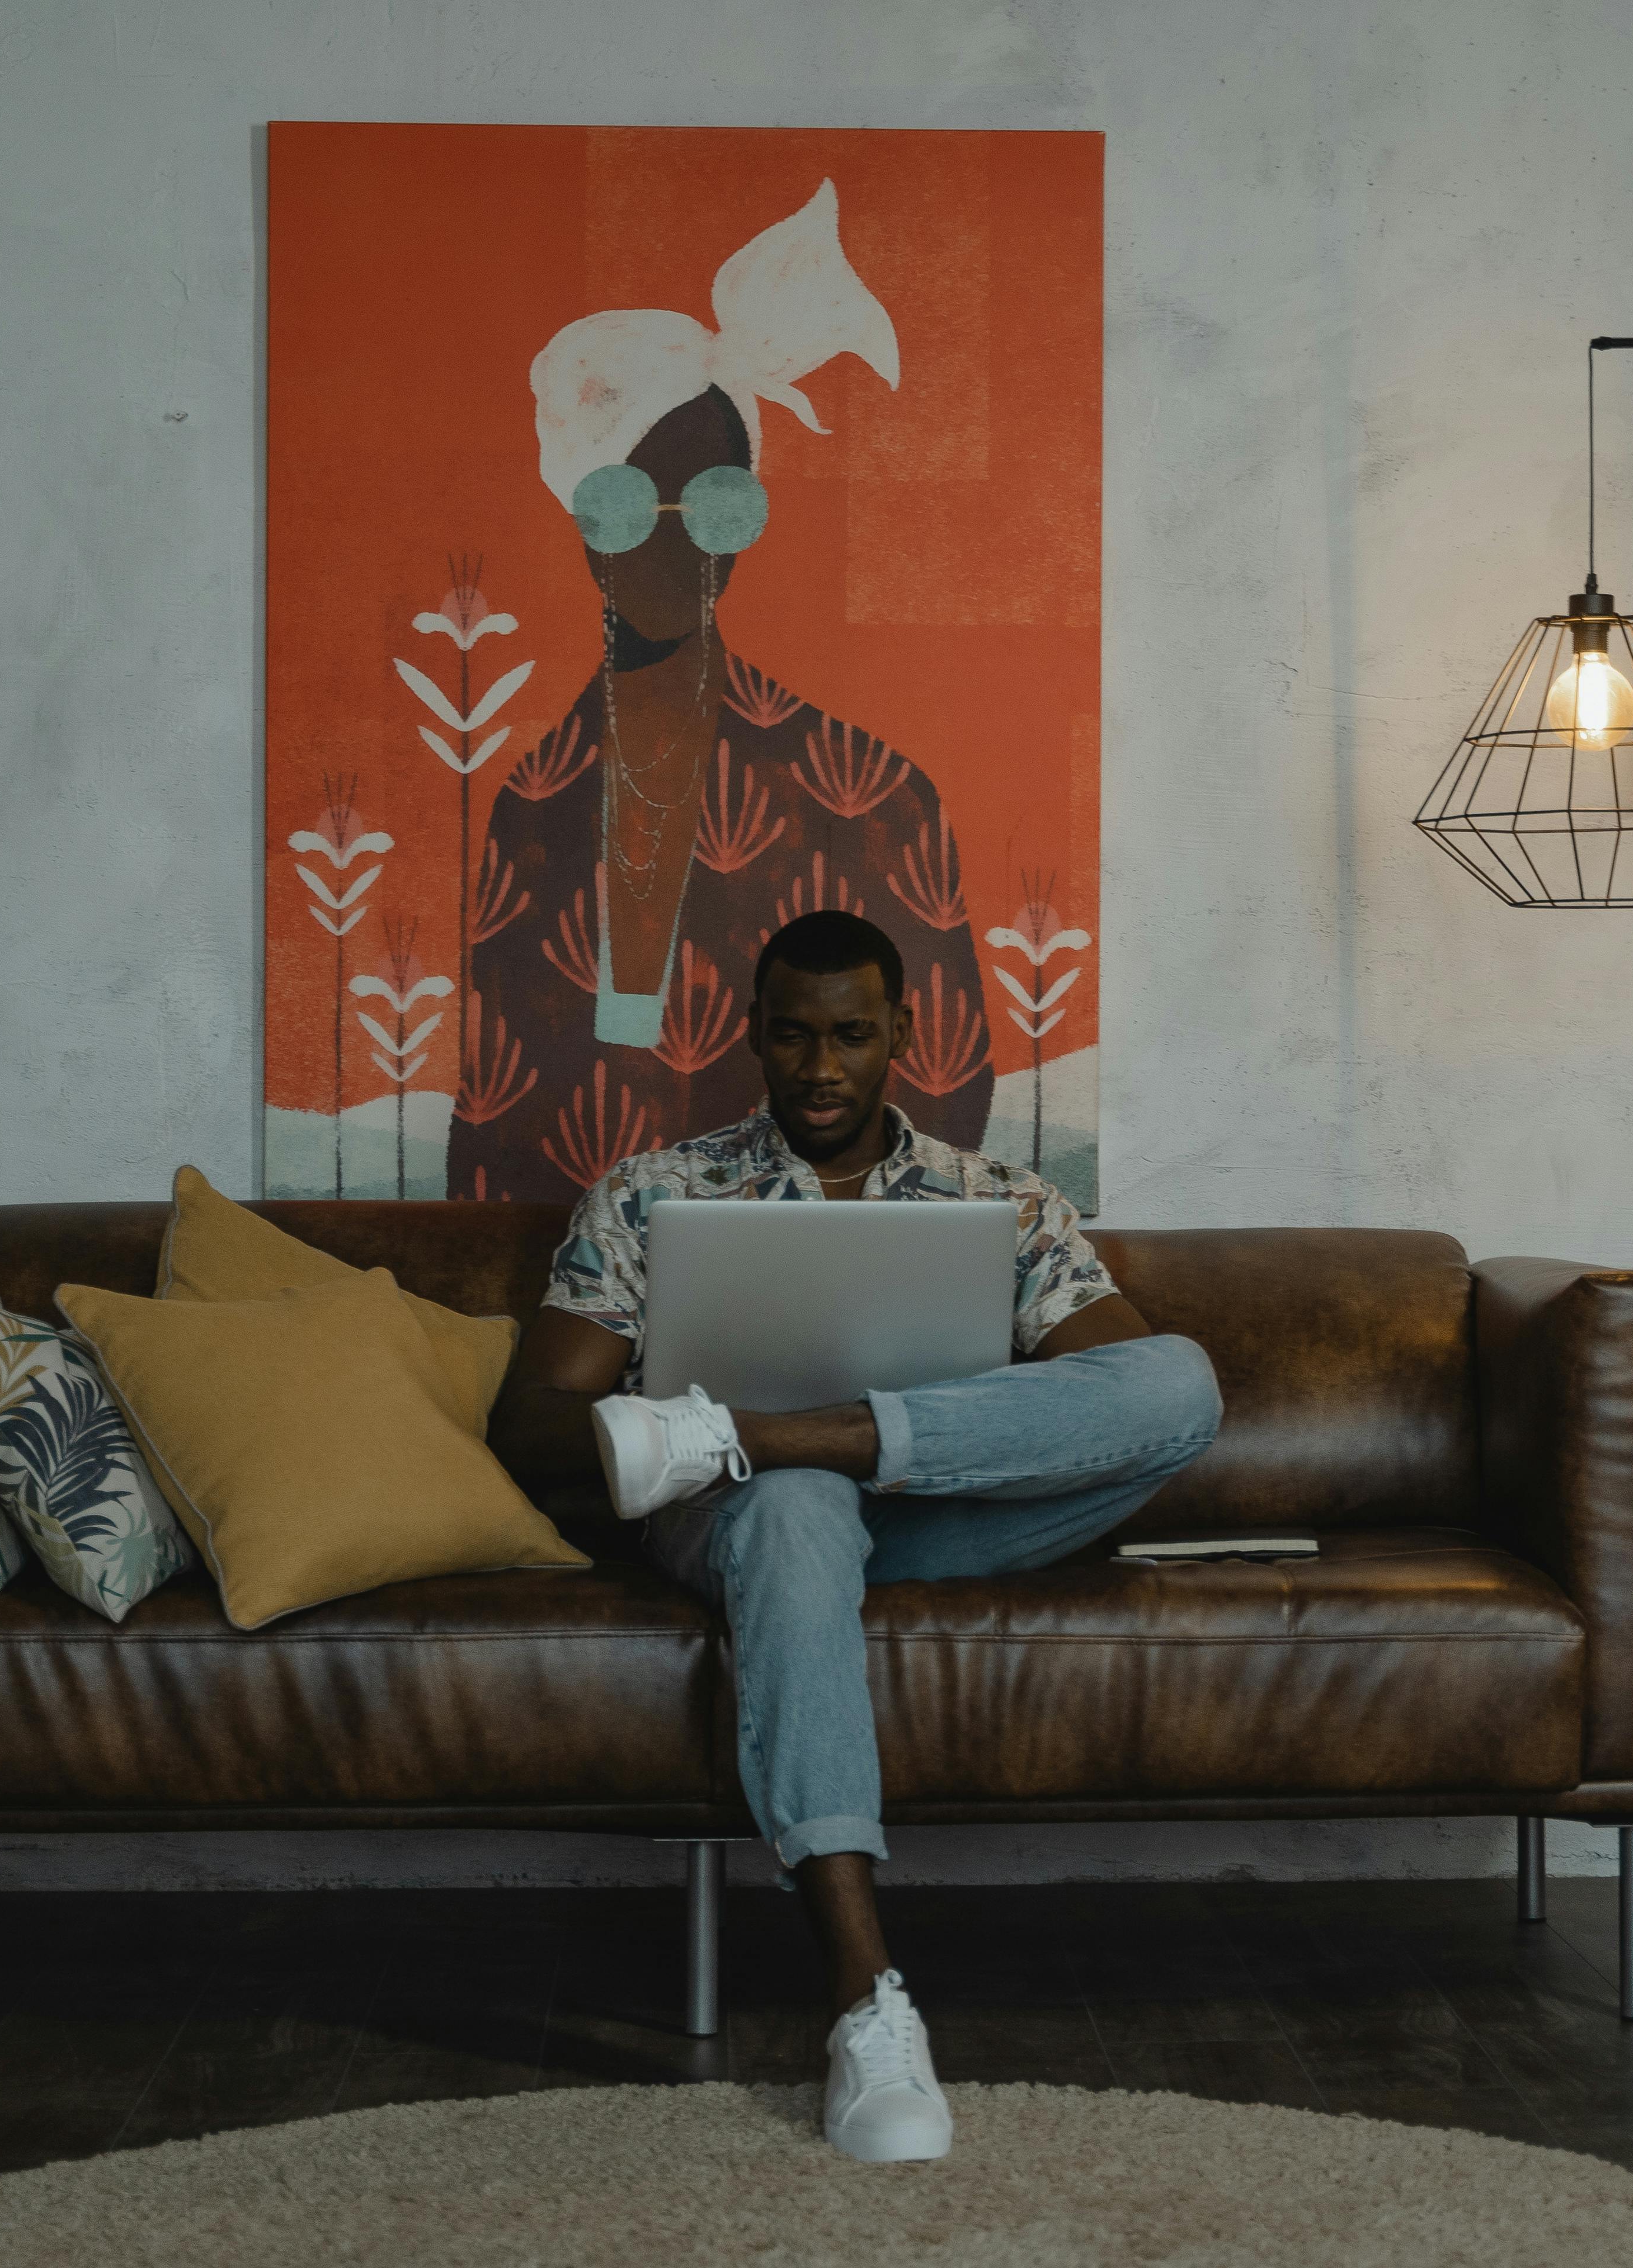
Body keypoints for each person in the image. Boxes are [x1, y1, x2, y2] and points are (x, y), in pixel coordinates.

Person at [488, 909, 1220, 2163]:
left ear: (902, 1033)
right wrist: (753, 1462)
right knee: (793, 1505)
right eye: (790, 1035)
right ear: (750, 1035)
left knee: (1188, 1380)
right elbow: (535, 1422)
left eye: (848, 1035)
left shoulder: (1004, 1200)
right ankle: (866, 2004)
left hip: (942, 1518)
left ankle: (770, 1438)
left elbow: (1127, 1403)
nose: (819, 1068)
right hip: (741, 1526)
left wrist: (762, 1427)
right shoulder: (658, 1191)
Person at [448, 180, 997, 1199]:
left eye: (718, 502)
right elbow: (488, 1125)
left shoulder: (876, 794)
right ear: (579, 516)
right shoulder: (532, 805)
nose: (675, 540)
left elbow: (948, 1101)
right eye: (625, 500)